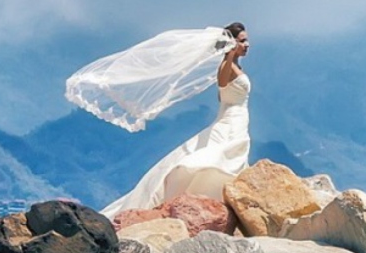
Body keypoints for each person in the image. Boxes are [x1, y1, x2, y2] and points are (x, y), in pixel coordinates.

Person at [97, 23, 251, 217]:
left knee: (231, 153)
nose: (247, 44)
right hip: (231, 118)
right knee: (220, 153)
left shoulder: (237, 66)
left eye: (246, 40)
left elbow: (224, 95)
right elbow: (221, 83)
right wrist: (228, 56)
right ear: (232, 43)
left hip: (237, 115)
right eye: (242, 41)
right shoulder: (227, 65)